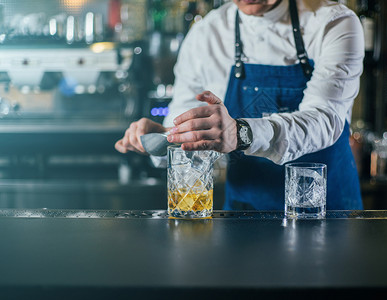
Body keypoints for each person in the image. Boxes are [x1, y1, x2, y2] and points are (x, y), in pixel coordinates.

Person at [115, 0, 365, 210]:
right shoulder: (207, 34)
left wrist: (242, 133)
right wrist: (161, 137)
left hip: (324, 211)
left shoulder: (334, 22)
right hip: (244, 218)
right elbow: (187, 128)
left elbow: (324, 118)